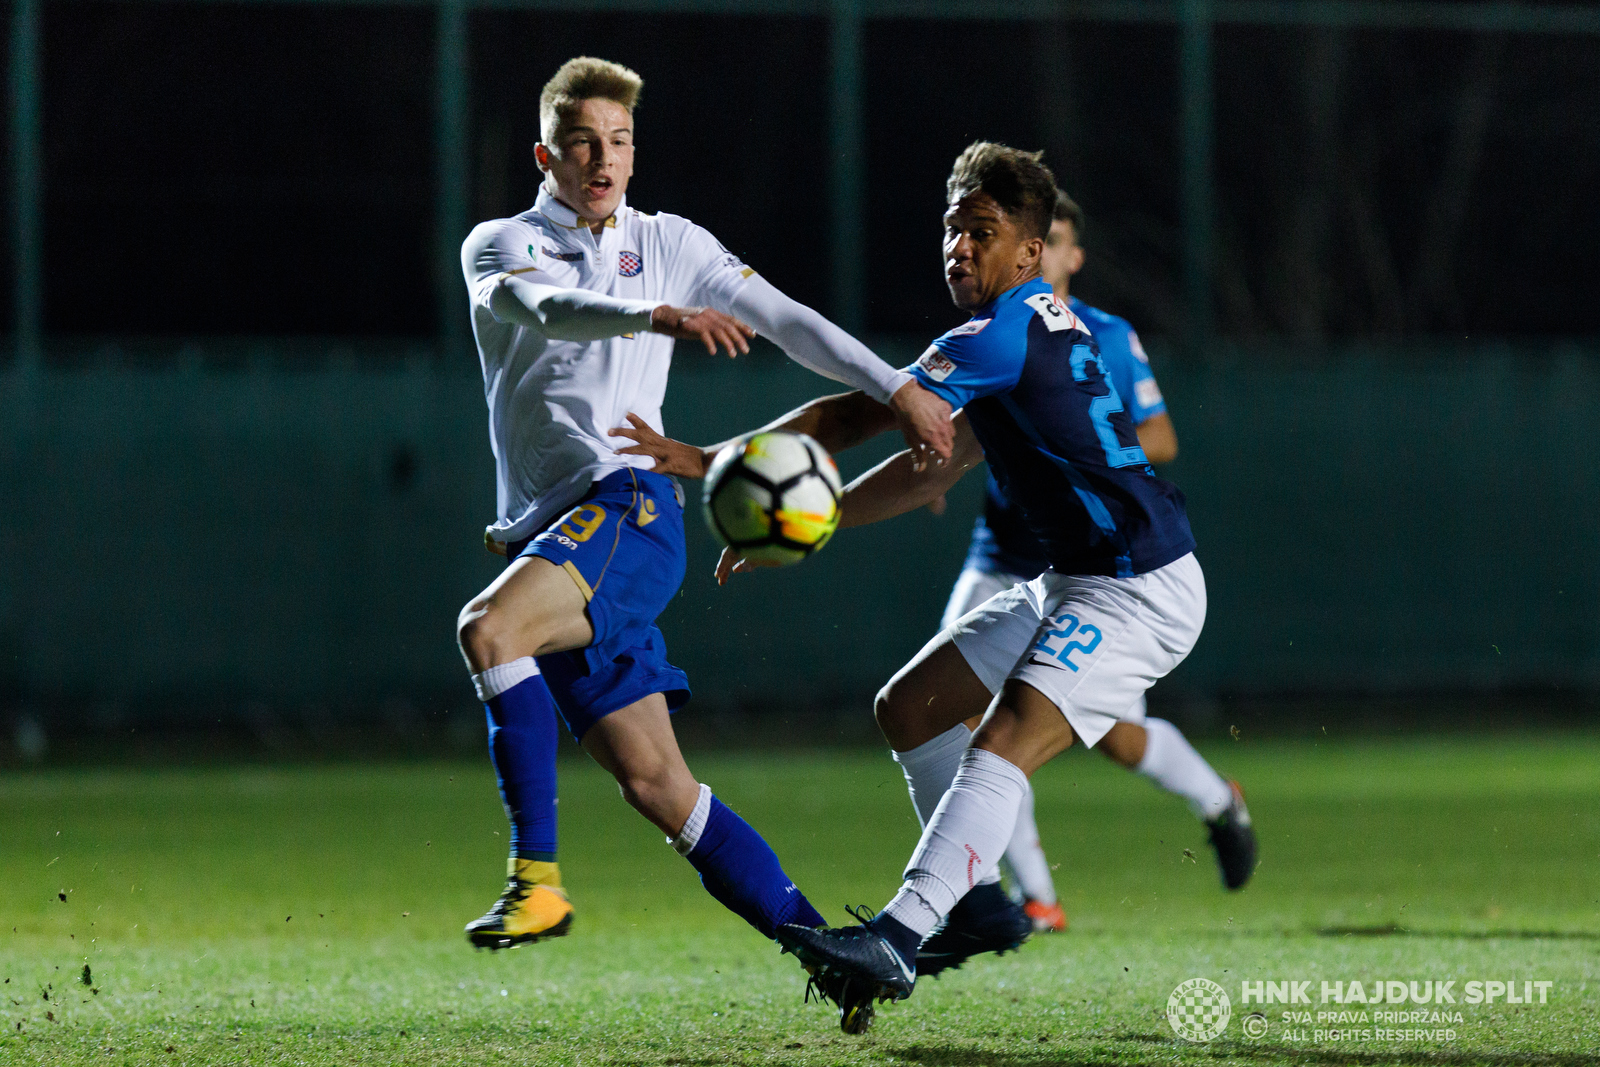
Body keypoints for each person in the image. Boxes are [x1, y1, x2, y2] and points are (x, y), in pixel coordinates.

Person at [620, 142, 1252, 1030]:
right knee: (911, 706)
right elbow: (929, 467)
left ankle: (902, 931)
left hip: (1137, 586)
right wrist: (815, 520)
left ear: (1031, 252)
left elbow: (855, 412)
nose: (958, 246)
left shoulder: (996, 334)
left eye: (981, 231)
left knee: (1001, 745)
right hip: (1076, 579)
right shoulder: (1028, 327)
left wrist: (706, 460)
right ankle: (977, 905)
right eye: (951, 228)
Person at [455, 56, 954, 967]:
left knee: (489, 631)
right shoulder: (500, 242)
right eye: (582, 144)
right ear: (546, 153)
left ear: (635, 154)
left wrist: (900, 387)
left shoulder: (671, 240)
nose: (603, 161)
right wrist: (657, 318)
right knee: (659, 784)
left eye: (619, 143)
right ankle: (832, 954)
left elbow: (788, 318)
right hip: (557, 529)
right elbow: (543, 307)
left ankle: (536, 881)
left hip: (630, 507)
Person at [940, 191, 1242, 936]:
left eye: (1064, 239)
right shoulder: (993, 331)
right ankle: (1033, 895)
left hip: (1100, 567)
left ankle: (1217, 800)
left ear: (1060, 253)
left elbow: (1160, 436)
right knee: (954, 712)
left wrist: (1086, 453)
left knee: (1112, 735)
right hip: (1005, 555)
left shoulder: (1104, 334)